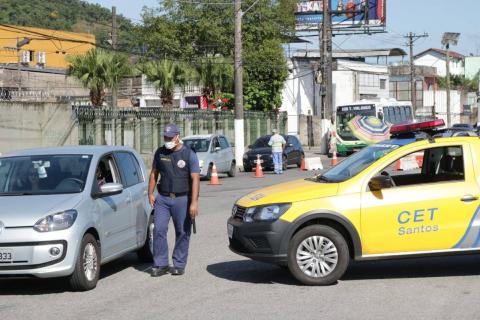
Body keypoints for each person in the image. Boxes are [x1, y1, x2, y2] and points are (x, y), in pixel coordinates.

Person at [148, 123, 200, 277]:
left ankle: (178, 263)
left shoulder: (189, 154)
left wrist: (194, 202)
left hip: (182, 199)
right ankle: (161, 264)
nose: (167, 139)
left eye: (170, 137)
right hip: (163, 198)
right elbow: (154, 173)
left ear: (178, 136)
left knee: (182, 232)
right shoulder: (160, 152)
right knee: (158, 230)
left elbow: (195, 179)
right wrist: (150, 193)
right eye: (165, 137)